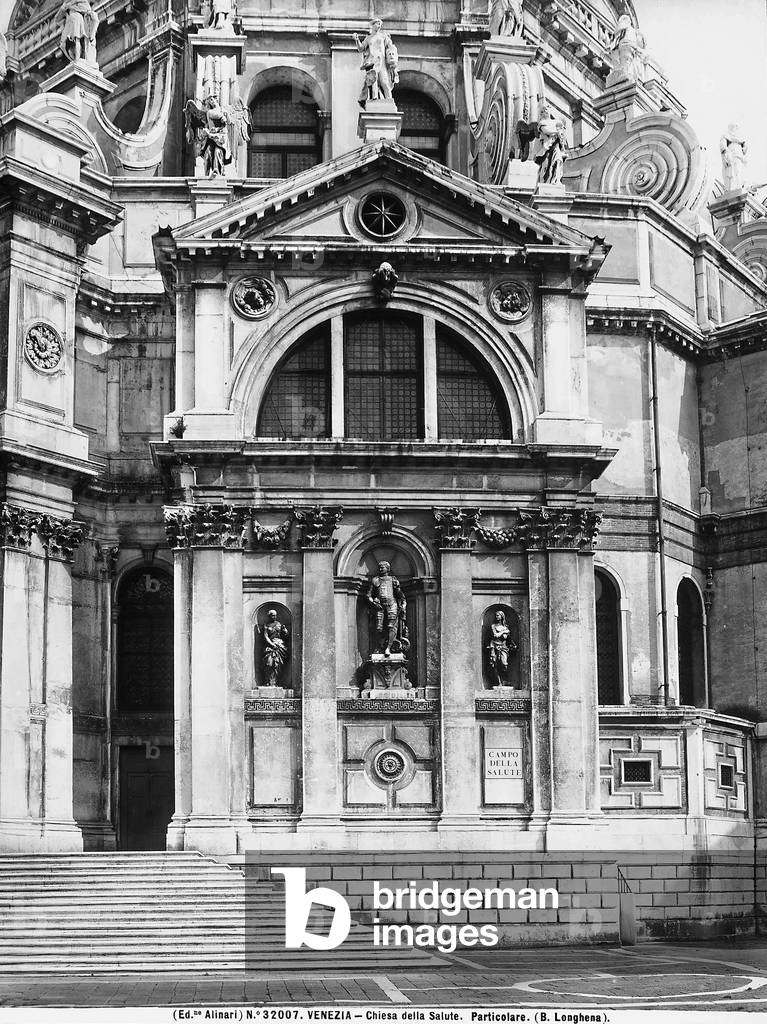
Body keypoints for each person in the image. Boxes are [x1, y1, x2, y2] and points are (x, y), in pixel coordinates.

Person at [366, 561, 409, 657]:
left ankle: (388, 648)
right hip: (379, 606)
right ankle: (379, 646)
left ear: (388, 569)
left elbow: (399, 594)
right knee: (378, 628)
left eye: (382, 567)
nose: (380, 569)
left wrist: (403, 603)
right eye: (380, 567)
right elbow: (369, 595)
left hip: (392, 605)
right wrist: (373, 602)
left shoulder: (393, 580)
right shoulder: (375, 580)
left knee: (391, 627)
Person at [354, 19, 399, 107]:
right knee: (373, 81)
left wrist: (393, 60)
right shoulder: (368, 38)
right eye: (377, 24)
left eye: (380, 24)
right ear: (373, 25)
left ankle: (389, 100)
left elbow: (391, 47)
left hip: (381, 61)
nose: (379, 26)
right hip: (372, 62)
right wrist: (356, 40)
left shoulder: (383, 36)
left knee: (384, 81)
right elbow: (361, 48)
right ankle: (374, 100)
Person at [58, 0, 99, 65]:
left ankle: (77, 60)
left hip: (76, 20)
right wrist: (63, 8)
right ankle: (74, 60)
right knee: (62, 45)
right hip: (69, 23)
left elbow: (87, 10)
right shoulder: (66, 4)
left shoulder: (82, 2)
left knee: (77, 39)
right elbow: (57, 18)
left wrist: (71, 5)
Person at [487, 610, 517, 686]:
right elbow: (495, 635)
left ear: (502, 616)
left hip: (503, 647)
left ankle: (504, 680)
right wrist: (503, 632)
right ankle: (498, 682)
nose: (497, 617)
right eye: (496, 615)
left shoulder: (506, 626)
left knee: (504, 664)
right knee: (495, 664)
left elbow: (506, 637)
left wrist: (504, 633)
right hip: (494, 646)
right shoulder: (493, 626)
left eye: (498, 615)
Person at [261, 609, 289, 687]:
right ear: (269, 616)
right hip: (270, 646)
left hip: (280, 646)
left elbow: (286, 635)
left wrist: (285, 630)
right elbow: (265, 636)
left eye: (275, 615)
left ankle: (275, 682)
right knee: (269, 664)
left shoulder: (279, 624)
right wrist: (272, 644)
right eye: (273, 615)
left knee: (278, 665)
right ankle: (268, 682)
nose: (274, 617)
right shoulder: (266, 625)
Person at [720, 125, 748, 192]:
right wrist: (726, 152)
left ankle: (739, 186)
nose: (734, 128)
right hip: (731, 153)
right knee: (731, 171)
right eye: (733, 127)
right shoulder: (726, 135)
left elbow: (745, 147)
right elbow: (723, 146)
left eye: (735, 127)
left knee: (739, 170)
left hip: (739, 154)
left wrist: (744, 148)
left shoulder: (740, 137)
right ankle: (733, 188)